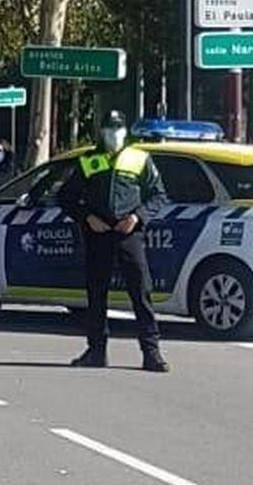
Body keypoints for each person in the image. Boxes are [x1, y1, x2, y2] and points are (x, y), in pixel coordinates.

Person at [58, 110, 170, 372]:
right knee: (96, 294)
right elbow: (66, 197)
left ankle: (151, 352)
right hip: (98, 234)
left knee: (141, 292)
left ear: (125, 131)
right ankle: (96, 350)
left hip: (128, 232)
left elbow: (158, 195)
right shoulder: (89, 160)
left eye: (118, 128)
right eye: (109, 128)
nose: (113, 133)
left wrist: (137, 217)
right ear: (101, 132)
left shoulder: (140, 158)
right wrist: (87, 218)